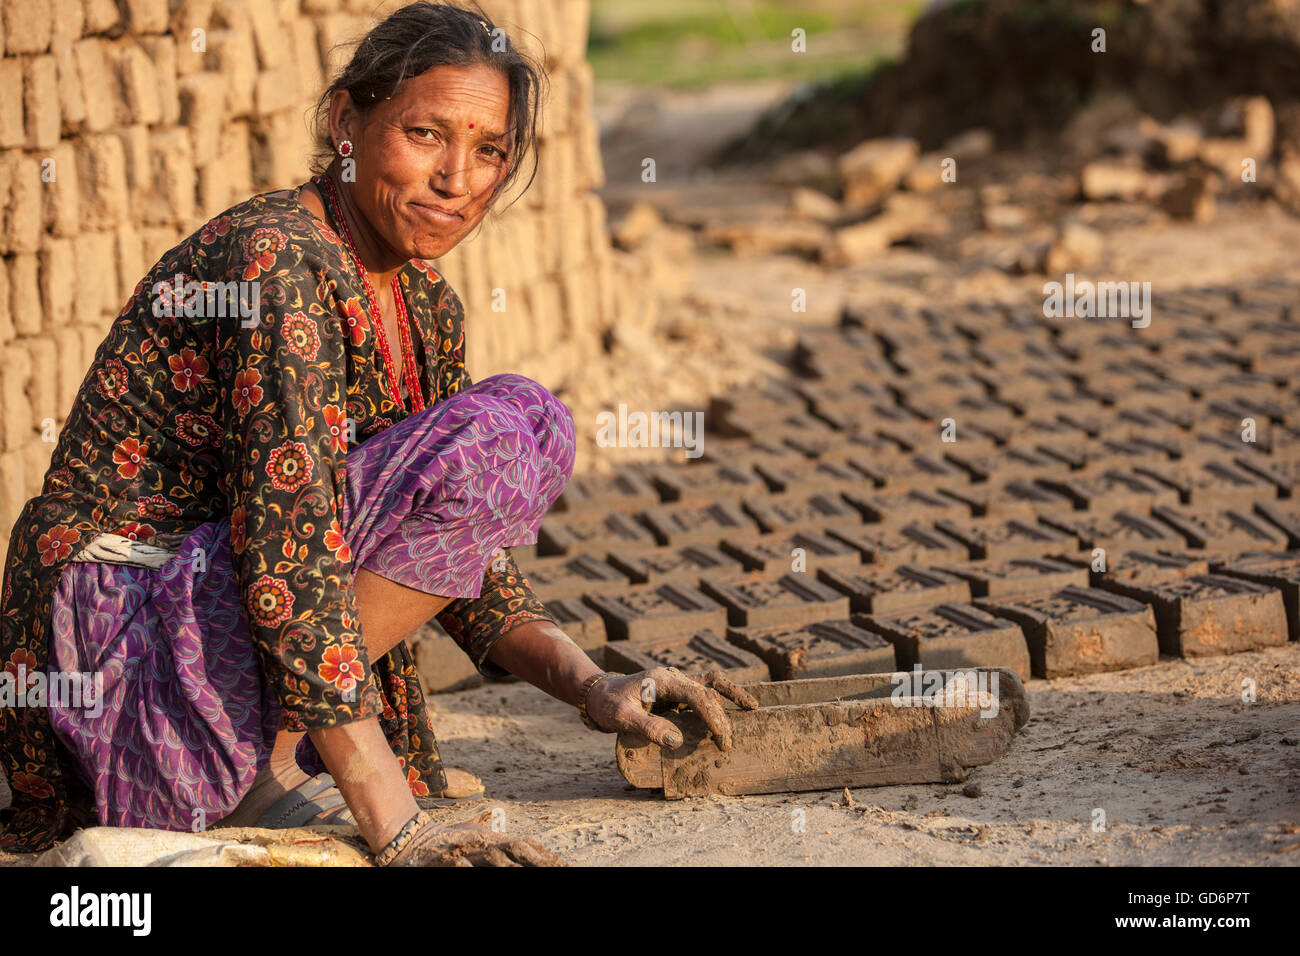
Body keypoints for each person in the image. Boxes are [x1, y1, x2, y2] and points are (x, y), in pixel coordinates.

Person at [0, 0, 755, 866]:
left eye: (489, 150)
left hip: (203, 638)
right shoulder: (277, 263)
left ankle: (281, 752)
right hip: (123, 658)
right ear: (345, 122)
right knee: (516, 423)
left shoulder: (423, 301)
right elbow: (291, 543)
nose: (457, 178)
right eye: (427, 134)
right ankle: (261, 770)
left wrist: (593, 685)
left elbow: (450, 547)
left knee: (520, 430)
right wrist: (398, 829)